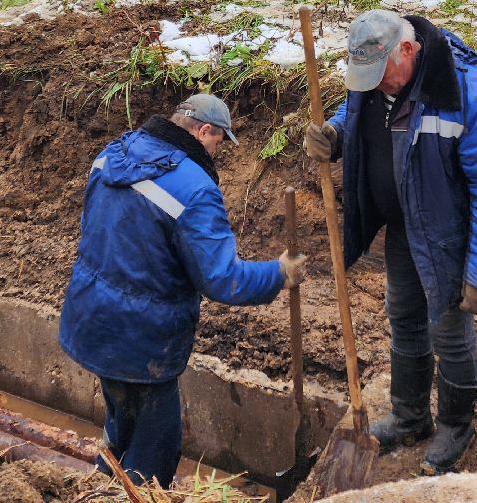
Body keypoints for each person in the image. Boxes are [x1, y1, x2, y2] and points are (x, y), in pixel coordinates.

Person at [303, 10, 477, 476]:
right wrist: (335, 135)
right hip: (403, 225)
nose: (375, 84)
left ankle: (456, 426)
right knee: (403, 317)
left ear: (407, 49)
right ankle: (410, 417)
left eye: (381, 74)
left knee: (449, 330)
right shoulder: (376, 76)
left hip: (447, 235)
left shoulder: (467, 94)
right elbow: (357, 112)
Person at [58, 94, 306, 487]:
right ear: (204, 131)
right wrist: (277, 274)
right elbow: (223, 278)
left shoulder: (112, 154)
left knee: (121, 425)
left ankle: (101, 485)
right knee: (155, 448)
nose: (217, 151)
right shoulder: (194, 189)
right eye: (218, 141)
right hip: (142, 341)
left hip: (91, 318)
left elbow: (94, 228)